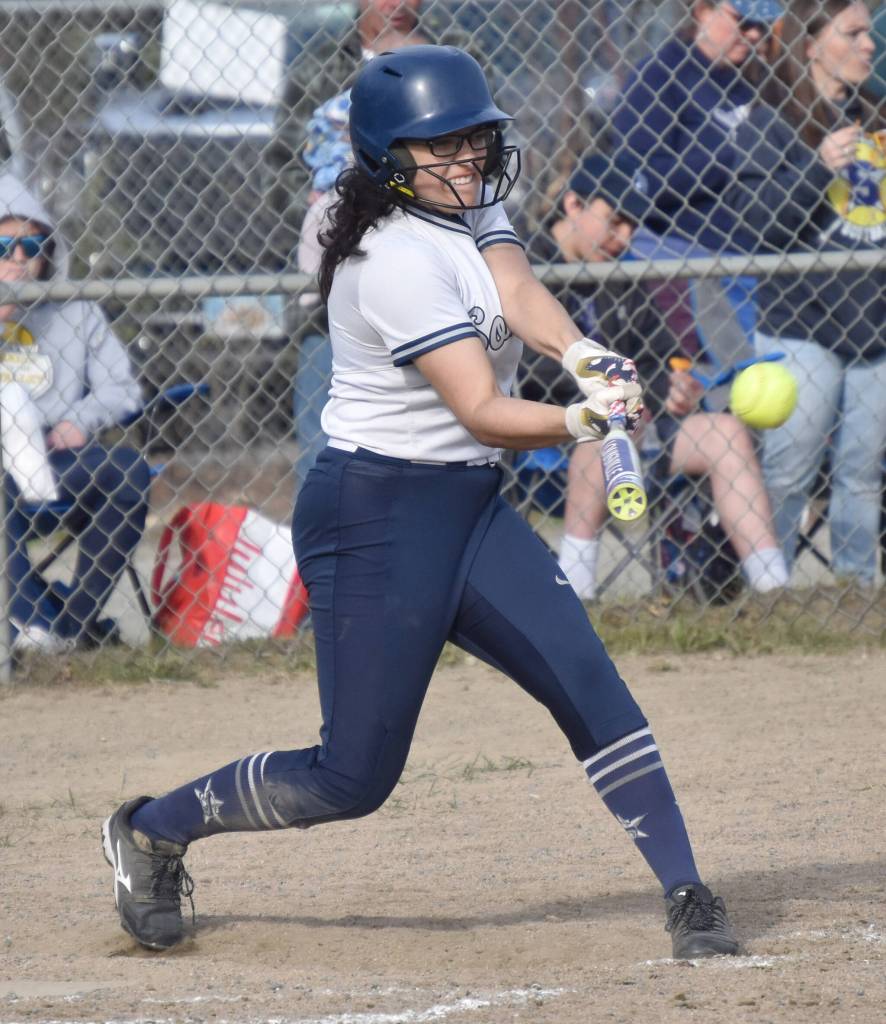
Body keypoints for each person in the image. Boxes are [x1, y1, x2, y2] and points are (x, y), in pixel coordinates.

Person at [101, 46, 739, 962]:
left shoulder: (468, 204)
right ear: (387, 158)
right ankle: (153, 829)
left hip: (469, 506)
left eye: (475, 138)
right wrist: (582, 419)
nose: (468, 159)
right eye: (441, 146)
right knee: (351, 778)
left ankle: (687, 890)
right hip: (375, 516)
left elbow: (516, 287)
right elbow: (480, 407)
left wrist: (583, 356)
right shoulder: (388, 259)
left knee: (588, 683)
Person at [521, 155, 788, 600]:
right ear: (573, 205)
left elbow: (658, 355)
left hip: (636, 422)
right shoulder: (524, 268)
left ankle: (773, 587)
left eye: (632, 225)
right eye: (615, 220)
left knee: (726, 434)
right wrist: (614, 398)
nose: (625, 237)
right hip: (552, 429)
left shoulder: (621, 272)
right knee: (600, 432)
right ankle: (575, 591)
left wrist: (673, 388)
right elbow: (530, 369)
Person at [725, 0, 885, 587]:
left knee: (861, 475)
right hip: (802, 321)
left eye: (869, 32)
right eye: (853, 32)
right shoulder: (772, 118)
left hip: (875, 321)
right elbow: (759, 226)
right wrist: (818, 167)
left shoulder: (878, 114)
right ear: (812, 44)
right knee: (788, 472)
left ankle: (854, 589)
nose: (869, 44)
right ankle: (771, 589)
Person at [0, 174, 149, 653]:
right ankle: (27, 622)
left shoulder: (75, 310)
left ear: (48, 252)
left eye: (31, 246)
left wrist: (80, 420)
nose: (17, 259)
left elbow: (121, 388)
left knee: (127, 471)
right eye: (3, 247)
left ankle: (71, 626)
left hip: (56, 455)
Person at [609, 0, 784, 370]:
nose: (754, 34)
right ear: (703, 10)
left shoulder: (751, 78)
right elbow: (639, 179)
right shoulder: (660, 75)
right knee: (748, 378)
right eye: (742, 21)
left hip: (756, 250)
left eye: (761, 25)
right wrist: (730, 159)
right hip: (693, 254)